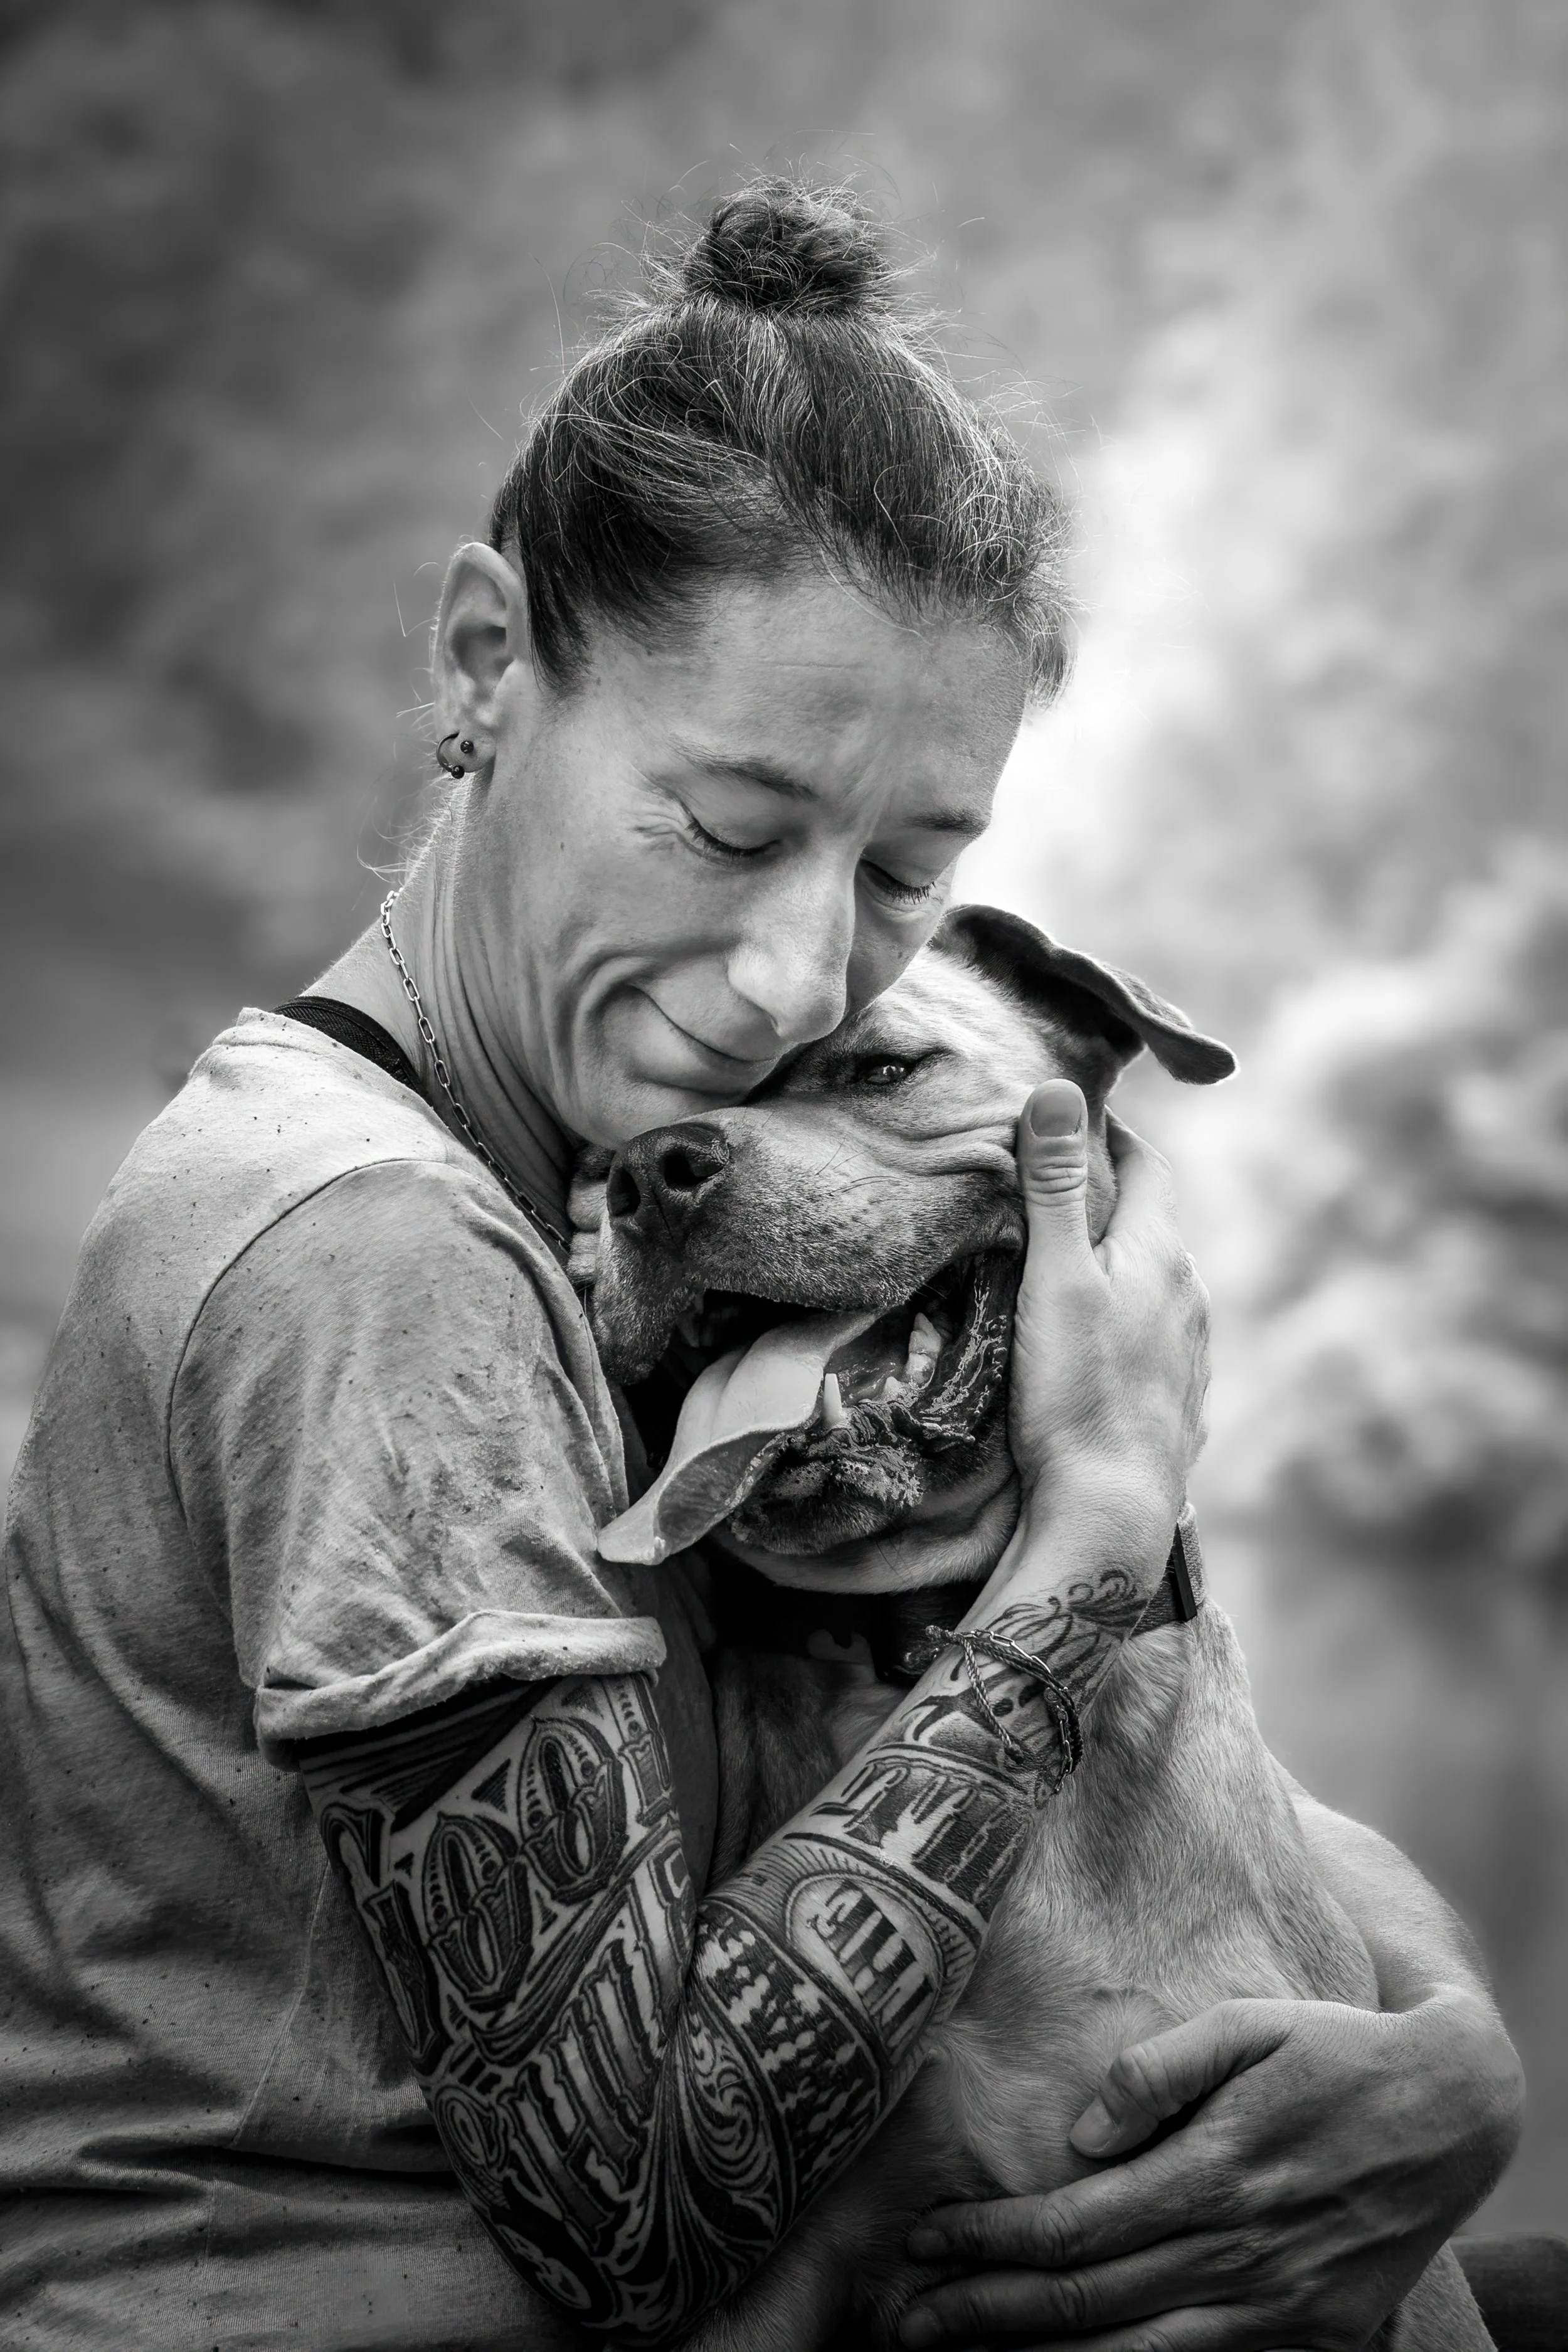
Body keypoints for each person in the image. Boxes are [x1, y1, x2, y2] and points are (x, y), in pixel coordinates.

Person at [0, 179, 1522, 2352]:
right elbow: (632, 2208)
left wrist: (1449, 2043)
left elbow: (1209, 1800)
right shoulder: (382, 1259)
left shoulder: (565, 1180)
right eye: (726, 828)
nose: (799, 968)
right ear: (482, 664)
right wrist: (1085, 1544)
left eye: (906, 871)